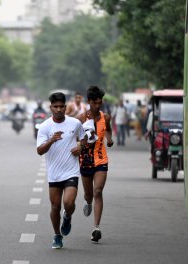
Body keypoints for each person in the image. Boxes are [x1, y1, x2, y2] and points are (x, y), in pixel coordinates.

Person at [36, 92, 85, 249]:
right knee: (55, 206)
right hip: (54, 173)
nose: (58, 109)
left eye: (61, 106)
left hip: (71, 170)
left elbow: (83, 138)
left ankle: (68, 216)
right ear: (50, 108)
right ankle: (57, 235)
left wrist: (80, 147)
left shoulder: (75, 123)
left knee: (69, 203)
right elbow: (39, 150)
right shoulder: (44, 127)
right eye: (55, 107)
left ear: (65, 107)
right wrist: (51, 140)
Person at [77, 85, 114, 243]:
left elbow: (108, 130)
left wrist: (109, 138)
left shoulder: (105, 117)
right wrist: (80, 144)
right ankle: (87, 201)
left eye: (100, 102)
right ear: (89, 102)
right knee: (89, 194)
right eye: (95, 103)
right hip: (85, 161)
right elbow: (75, 139)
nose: (98, 105)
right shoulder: (80, 119)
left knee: (98, 191)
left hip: (101, 159)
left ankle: (96, 228)